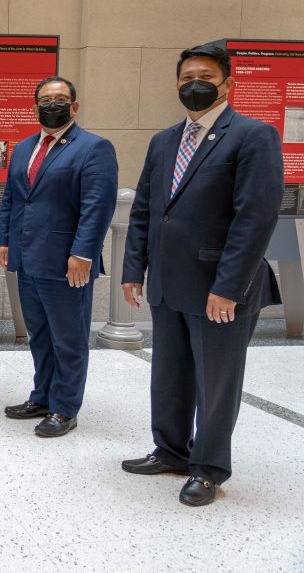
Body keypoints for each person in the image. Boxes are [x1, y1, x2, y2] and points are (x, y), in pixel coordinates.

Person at [120, 44, 283, 507]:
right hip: (169, 283)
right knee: (169, 374)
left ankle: (209, 468)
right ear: (176, 83)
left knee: (216, 383)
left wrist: (229, 286)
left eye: (206, 75)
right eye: (187, 75)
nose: (195, 82)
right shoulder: (163, 140)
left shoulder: (253, 136)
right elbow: (147, 210)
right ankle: (171, 450)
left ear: (227, 84)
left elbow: (255, 218)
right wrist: (135, 268)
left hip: (220, 289)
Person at [0, 76, 118, 437]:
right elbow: (13, 199)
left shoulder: (94, 148)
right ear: (35, 107)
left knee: (68, 337)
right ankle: (43, 396)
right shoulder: (23, 148)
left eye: (60, 99)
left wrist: (83, 252)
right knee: (39, 334)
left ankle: (65, 407)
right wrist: (5, 239)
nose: (52, 105)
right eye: (46, 100)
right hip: (27, 257)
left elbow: (97, 206)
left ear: (74, 107)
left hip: (67, 262)